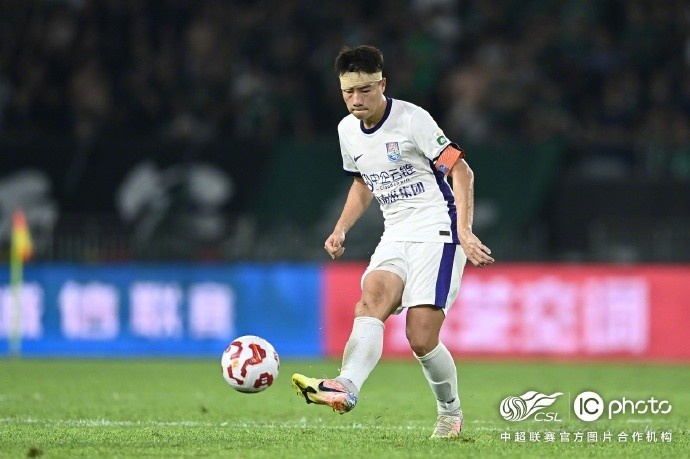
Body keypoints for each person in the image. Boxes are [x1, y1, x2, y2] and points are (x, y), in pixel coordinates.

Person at [292, 45, 494, 439]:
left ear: (382, 84)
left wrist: (464, 231)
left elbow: (462, 171)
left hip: (437, 230)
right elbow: (363, 182)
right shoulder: (347, 131)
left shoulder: (412, 120)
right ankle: (346, 386)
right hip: (395, 232)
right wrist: (341, 228)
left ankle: (450, 412)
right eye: (348, 92)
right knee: (371, 298)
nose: (356, 99)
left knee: (421, 337)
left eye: (365, 90)